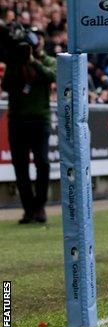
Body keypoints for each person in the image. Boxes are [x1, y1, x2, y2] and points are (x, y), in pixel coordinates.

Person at [1, 26, 55, 224]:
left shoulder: (47, 61)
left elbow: (51, 76)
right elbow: (6, 85)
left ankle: (40, 206)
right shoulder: (14, 62)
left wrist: (33, 62)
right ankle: (28, 210)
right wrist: (18, 62)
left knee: (42, 163)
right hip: (17, 120)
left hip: (40, 119)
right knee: (20, 167)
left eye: (39, 39)